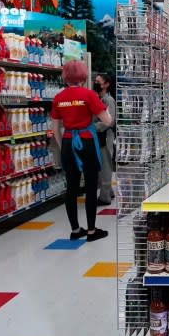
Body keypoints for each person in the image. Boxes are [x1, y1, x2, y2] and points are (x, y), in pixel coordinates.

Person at [51, 60, 113, 242]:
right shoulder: (89, 95)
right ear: (83, 75)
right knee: (91, 186)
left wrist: (63, 147)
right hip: (86, 142)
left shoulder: (58, 98)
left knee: (71, 187)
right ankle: (92, 231)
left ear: (65, 76)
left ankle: (76, 229)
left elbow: (55, 129)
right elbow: (108, 121)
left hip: (69, 142)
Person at [94, 73, 116, 206]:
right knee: (103, 164)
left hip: (106, 136)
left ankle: (104, 197)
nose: (95, 84)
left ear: (106, 84)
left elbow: (110, 121)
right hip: (101, 136)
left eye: (98, 81)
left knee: (106, 166)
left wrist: (92, 127)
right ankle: (109, 192)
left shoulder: (108, 100)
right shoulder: (99, 98)